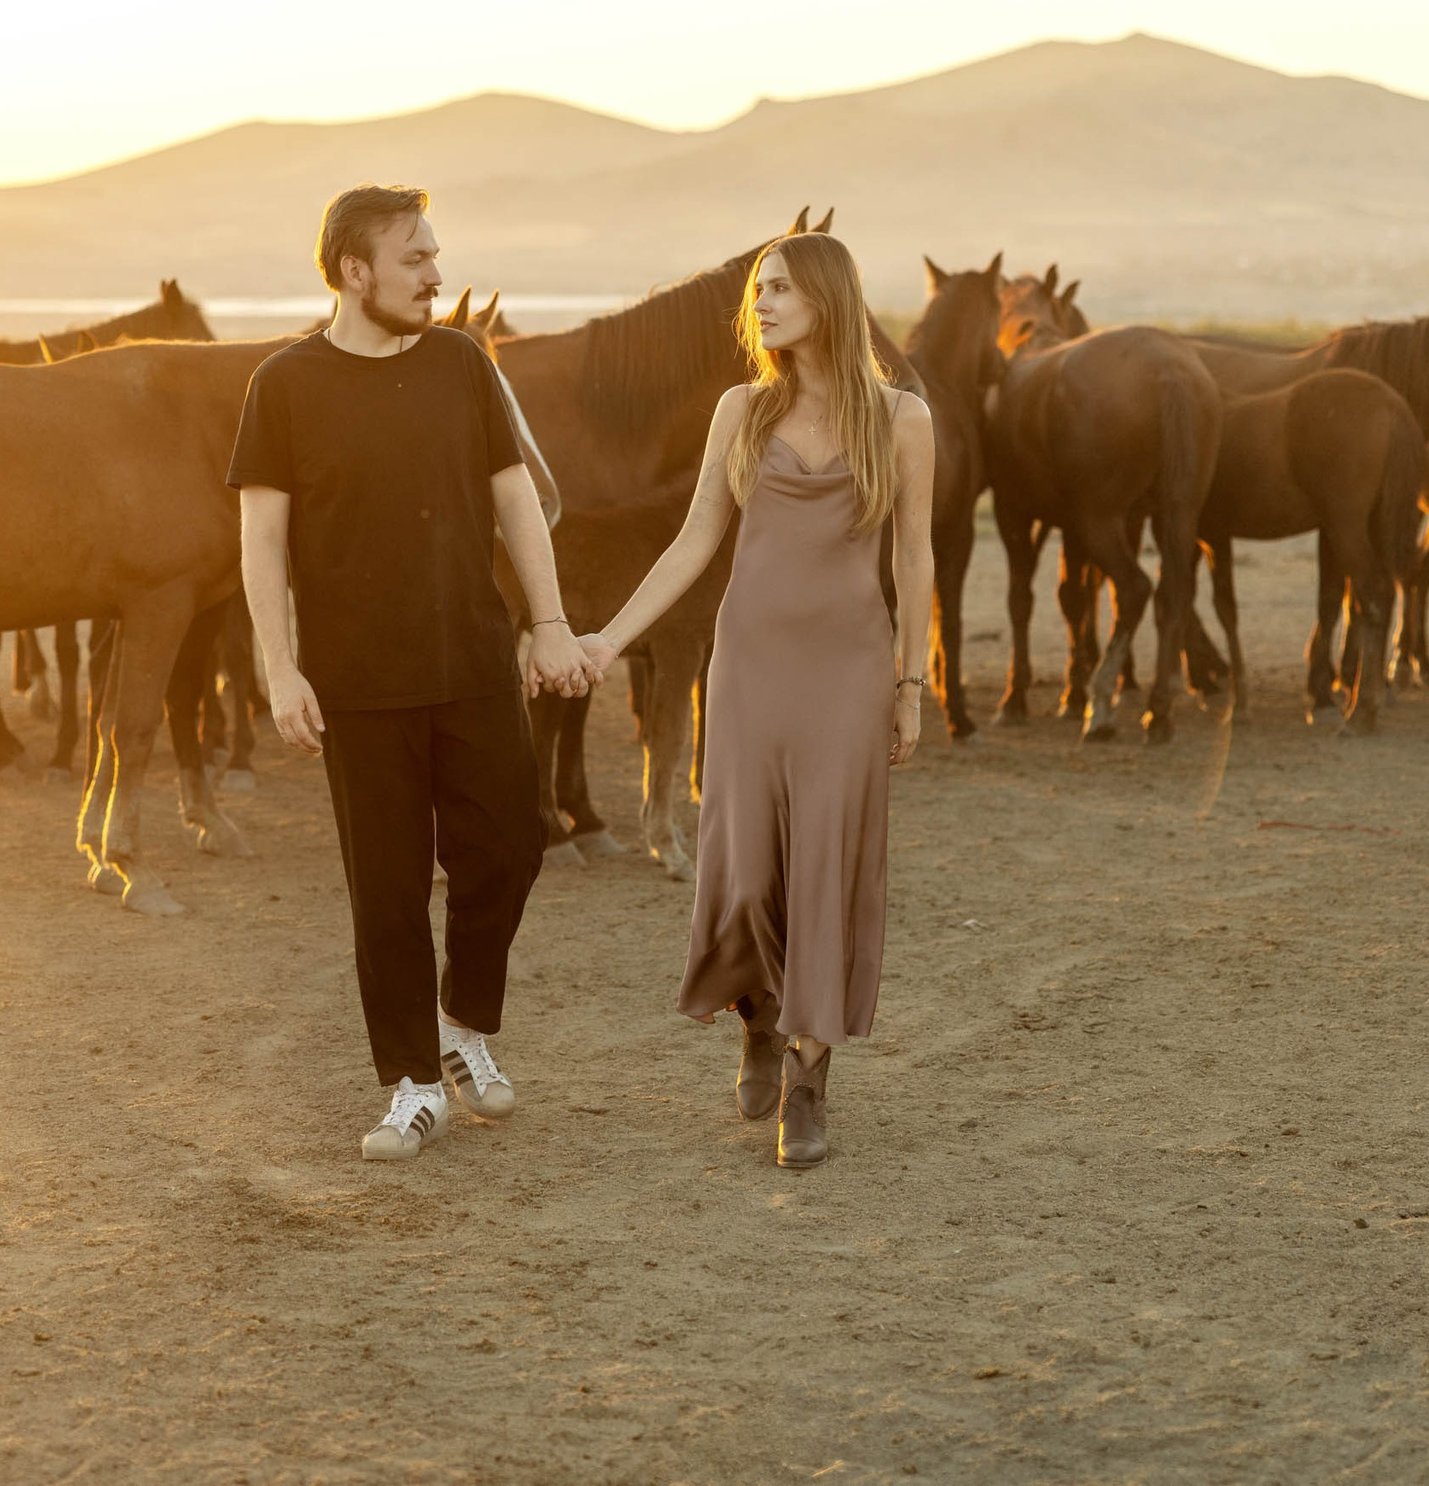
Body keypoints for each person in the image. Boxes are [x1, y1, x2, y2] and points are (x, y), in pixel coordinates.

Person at [234, 184, 593, 1162]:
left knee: (512, 846)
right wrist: (280, 667)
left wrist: (550, 622)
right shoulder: (285, 385)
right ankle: (413, 1086)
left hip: (475, 660)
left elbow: (515, 500)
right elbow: (260, 540)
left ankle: (463, 1020)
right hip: (355, 682)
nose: (437, 274)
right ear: (355, 271)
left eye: (435, 255)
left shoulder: (461, 365)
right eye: (415, 259)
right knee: (385, 892)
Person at [576, 232, 933, 1168]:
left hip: (849, 670)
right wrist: (610, 637)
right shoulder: (740, 410)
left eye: (779, 288)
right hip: (749, 666)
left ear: (827, 297)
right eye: (757, 290)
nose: (761, 304)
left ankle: (809, 1078)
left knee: (827, 859)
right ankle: (759, 1014)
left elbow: (914, 556)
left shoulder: (901, 420)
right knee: (745, 865)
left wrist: (910, 684)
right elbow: (695, 542)